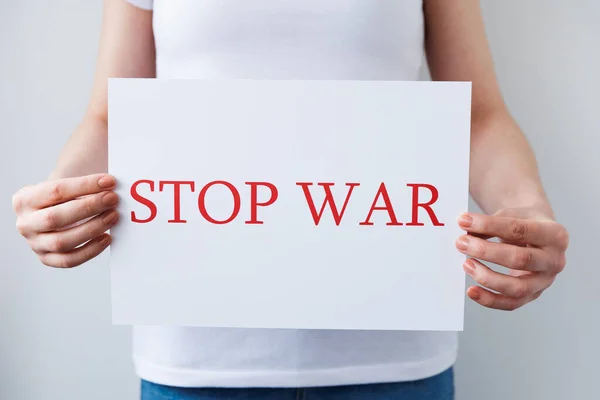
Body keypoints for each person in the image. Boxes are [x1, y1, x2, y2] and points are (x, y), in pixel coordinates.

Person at [11, 1, 569, 399]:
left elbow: (476, 115)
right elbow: (113, 115)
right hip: (199, 354)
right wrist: (61, 193)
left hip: (391, 353)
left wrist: (525, 208)